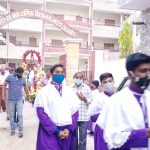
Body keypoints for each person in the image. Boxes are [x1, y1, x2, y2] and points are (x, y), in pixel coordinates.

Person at [95, 53, 150, 150]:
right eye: (143, 71)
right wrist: (144, 133)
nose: (148, 75)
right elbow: (113, 138)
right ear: (130, 74)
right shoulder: (117, 101)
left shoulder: (148, 96)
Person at [34, 64, 80, 150]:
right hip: (49, 131)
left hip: (67, 131)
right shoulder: (44, 91)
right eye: (57, 72)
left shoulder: (70, 91)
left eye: (62, 72)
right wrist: (56, 131)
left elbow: (75, 111)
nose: (60, 74)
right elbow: (41, 113)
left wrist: (69, 129)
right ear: (52, 74)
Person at [4, 67, 30, 138]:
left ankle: (21, 131)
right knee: (12, 115)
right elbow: (4, 85)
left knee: (20, 115)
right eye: (20, 73)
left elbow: (25, 88)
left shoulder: (23, 79)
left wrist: (28, 96)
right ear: (16, 72)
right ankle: (12, 130)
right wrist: (4, 95)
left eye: (22, 73)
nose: (21, 74)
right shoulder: (10, 77)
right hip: (11, 100)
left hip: (19, 100)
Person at [72, 71, 92, 150]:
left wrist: (84, 98)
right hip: (73, 117)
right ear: (74, 78)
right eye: (77, 77)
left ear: (83, 79)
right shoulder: (70, 88)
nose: (78, 79)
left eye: (80, 78)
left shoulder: (87, 88)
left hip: (84, 117)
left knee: (83, 139)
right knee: (74, 138)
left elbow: (91, 101)